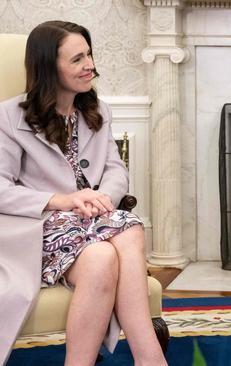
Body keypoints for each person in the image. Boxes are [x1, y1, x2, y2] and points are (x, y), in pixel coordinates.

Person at [0, 21, 167, 366]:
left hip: (92, 219)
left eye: (89, 54)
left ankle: (142, 359)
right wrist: (60, 200)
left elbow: (114, 169)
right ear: (49, 67)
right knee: (114, 243)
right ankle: (150, 360)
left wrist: (101, 196)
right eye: (77, 59)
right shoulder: (8, 117)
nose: (89, 64)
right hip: (37, 227)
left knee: (118, 238)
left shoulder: (97, 110)